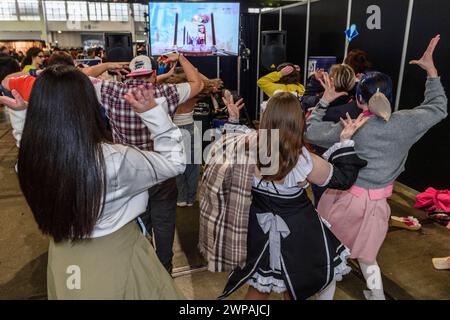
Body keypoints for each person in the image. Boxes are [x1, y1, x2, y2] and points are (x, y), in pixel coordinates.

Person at [0, 65, 185, 299]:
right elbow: (174, 163)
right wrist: (153, 113)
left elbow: (27, 146)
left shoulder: (28, 162)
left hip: (64, 259)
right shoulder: (115, 161)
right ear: (87, 105)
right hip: (117, 257)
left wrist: (20, 115)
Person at [305, 35, 447, 300]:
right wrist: (431, 71)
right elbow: (438, 107)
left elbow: (310, 131)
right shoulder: (407, 122)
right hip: (379, 207)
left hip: (344, 202)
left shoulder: (353, 126)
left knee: (331, 261)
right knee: (369, 260)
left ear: (359, 98)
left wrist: (324, 99)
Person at [200, 91, 369, 300]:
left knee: (260, 287)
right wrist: (344, 141)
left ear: (267, 117)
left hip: (258, 232)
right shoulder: (303, 160)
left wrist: (233, 120)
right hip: (297, 235)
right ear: (297, 122)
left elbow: (229, 145)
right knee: (295, 285)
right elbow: (343, 179)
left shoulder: (248, 145)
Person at [91, 52, 203, 272]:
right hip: (162, 171)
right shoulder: (166, 92)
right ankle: (164, 270)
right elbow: (196, 83)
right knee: (165, 224)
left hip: (130, 174)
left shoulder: (112, 91)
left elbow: (81, 75)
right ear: (153, 74)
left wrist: (107, 64)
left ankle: (144, 270)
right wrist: (180, 58)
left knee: (139, 223)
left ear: (130, 74)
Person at [161, 67, 223, 207]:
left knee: (177, 165)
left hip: (172, 130)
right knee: (193, 166)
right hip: (190, 129)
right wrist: (194, 70)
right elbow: (211, 83)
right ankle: (191, 199)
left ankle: (181, 198)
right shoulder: (194, 91)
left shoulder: (168, 91)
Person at [308, 64, 362, 206]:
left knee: (322, 206)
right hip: (350, 170)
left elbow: (308, 131)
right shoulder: (357, 106)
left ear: (331, 80)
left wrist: (321, 100)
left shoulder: (322, 107)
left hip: (324, 168)